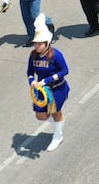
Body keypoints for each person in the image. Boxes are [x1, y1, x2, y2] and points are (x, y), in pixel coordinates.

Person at [27, 14, 69, 151]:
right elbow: (30, 72)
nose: (37, 46)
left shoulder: (56, 55)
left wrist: (47, 80)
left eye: (39, 43)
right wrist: (32, 81)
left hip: (57, 89)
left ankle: (58, 135)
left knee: (56, 112)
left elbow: (65, 70)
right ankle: (59, 123)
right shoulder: (33, 55)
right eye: (35, 43)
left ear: (47, 43)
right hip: (42, 90)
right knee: (40, 115)